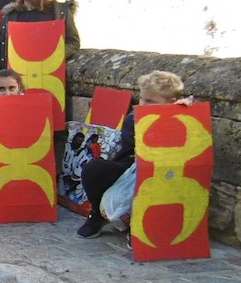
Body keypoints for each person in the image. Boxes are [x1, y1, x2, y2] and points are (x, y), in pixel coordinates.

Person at [77, 70, 192, 239]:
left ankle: (139, 224)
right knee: (94, 169)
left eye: (151, 101)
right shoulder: (134, 118)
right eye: (142, 99)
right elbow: (134, 152)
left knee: (159, 178)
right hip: (130, 167)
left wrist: (180, 112)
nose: (143, 104)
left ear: (171, 102)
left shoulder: (182, 120)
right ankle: (97, 214)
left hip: (161, 170)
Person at [0, 0, 81, 77]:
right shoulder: (12, 14)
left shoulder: (59, 12)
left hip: (49, 74)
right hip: (16, 76)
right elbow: (0, 45)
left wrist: (54, 56)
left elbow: (73, 42)